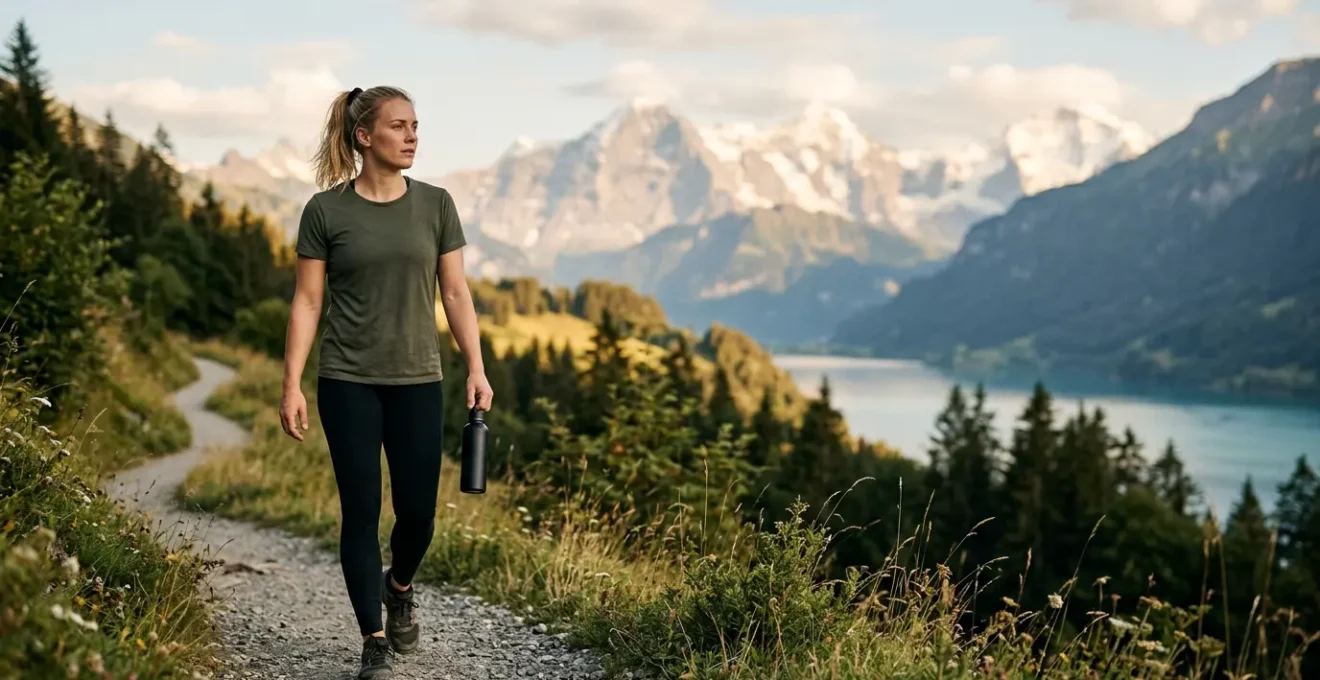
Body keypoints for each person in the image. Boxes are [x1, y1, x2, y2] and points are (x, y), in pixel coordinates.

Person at [279, 85, 494, 679]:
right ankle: (373, 637)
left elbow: (455, 292)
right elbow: (307, 300)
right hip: (347, 380)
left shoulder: (436, 204)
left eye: (416, 126)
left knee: (419, 513)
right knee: (360, 511)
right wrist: (291, 383)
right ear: (364, 137)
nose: (412, 136)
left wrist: (476, 367)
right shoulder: (325, 211)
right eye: (399, 126)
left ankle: (398, 586)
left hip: (418, 379)